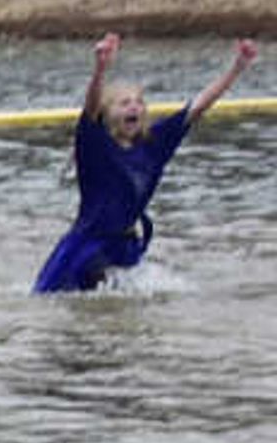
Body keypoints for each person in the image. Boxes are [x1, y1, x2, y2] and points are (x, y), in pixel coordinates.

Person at [33, 33, 258, 292]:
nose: (134, 108)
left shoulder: (155, 143)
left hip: (125, 244)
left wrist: (237, 68)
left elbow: (198, 107)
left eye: (139, 103)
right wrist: (100, 68)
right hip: (86, 247)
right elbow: (91, 108)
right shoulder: (93, 143)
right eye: (125, 103)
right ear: (108, 114)